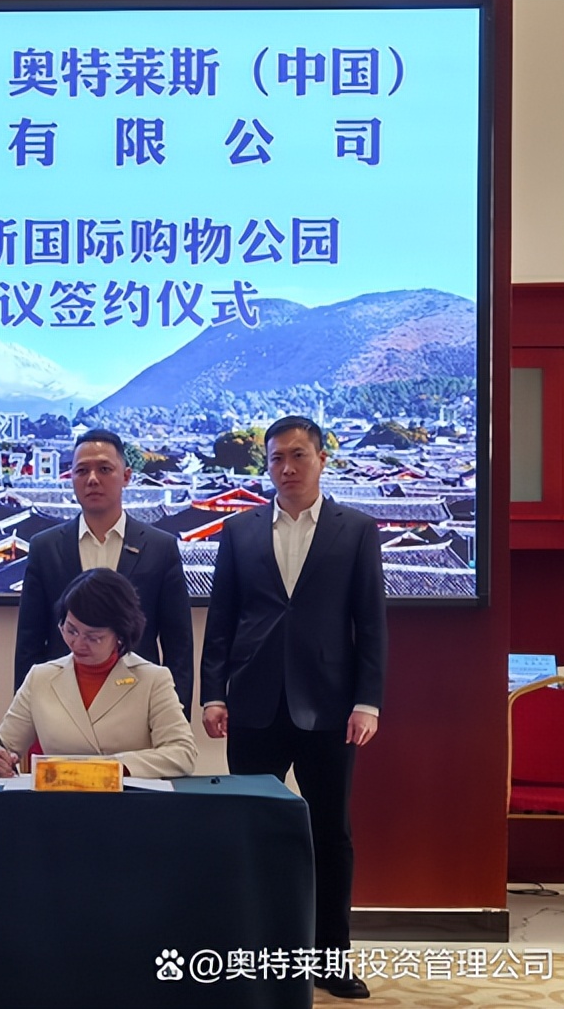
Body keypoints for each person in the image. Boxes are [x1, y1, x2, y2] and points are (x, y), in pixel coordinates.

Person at [200, 415, 386, 1001]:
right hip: (253, 703)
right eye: (276, 457)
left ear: (322, 458)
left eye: (298, 455)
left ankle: (332, 959)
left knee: (331, 834)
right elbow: (222, 620)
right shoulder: (240, 530)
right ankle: (255, 955)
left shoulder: (357, 530)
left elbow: (370, 625)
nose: (286, 468)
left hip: (330, 707)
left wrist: (368, 702)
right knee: (250, 831)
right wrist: (213, 693)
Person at [13, 429, 194, 715]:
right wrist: (27, 714)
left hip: (138, 702)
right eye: (82, 470)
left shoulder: (160, 548)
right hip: (62, 705)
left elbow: (178, 645)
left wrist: (175, 715)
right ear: (71, 478)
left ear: (126, 476)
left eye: (105, 469)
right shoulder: (45, 547)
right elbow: (29, 641)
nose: (93, 479)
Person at [0, 569, 196, 779]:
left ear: (120, 635)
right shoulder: (41, 677)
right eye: (71, 630)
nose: (78, 643)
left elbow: (182, 753)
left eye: (93, 638)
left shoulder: (152, 680)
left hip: (126, 797)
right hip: (58, 798)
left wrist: (113, 768)